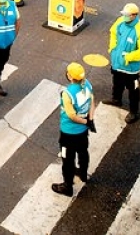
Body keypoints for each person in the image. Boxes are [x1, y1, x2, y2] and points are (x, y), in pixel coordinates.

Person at [51, 62, 96, 197]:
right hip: (83, 132)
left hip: (68, 133)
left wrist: (84, 121)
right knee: (83, 152)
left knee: (67, 160)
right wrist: (89, 121)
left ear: (70, 77)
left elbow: (71, 115)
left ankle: (67, 187)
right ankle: (83, 174)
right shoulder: (87, 84)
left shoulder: (67, 93)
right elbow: (92, 103)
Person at [102, 3, 140, 124]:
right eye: (124, 14)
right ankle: (116, 99)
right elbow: (113, 32)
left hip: (131, 69)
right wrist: (112, 48)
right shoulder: (120, 21)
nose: (125, 17)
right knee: (117, 83)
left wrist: (128, 57)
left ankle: (134, 111)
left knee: (133, 90)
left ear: (134, 15)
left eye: (127, 15)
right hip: (117, 64)